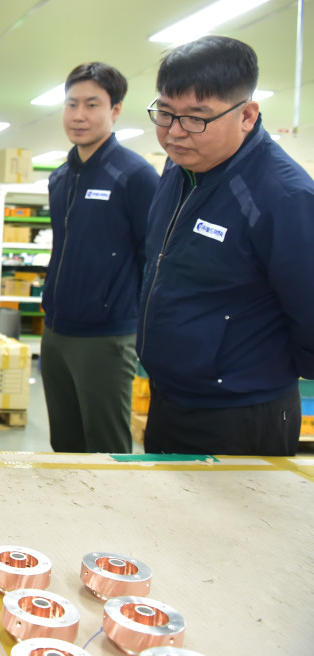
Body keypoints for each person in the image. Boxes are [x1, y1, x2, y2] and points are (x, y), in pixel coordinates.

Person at [138, 35, 314, 457]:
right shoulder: (180, 169)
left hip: (240, 414)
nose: (175, 133)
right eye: (165, 112)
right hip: (170, 397)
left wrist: (248, 371)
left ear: (247, 115)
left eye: (197, 118)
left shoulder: (282, 196)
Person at [39, 62, 159, 454]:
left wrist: (136, 324)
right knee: (65, 445)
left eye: (92, 104)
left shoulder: (135, 175)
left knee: (107, 447)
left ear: (116, 110)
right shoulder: (60, 178)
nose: (79, 115)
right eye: (71, 104)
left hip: (107, 337)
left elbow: (153, 259)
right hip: (56, 333)